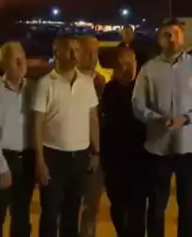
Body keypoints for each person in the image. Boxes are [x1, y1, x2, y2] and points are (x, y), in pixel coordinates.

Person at [132, 18, 192, 237]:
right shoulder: (149, 69)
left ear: (183, 37)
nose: (172, 39)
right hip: (159, 148)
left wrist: (187, 118)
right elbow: (138, 104)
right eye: (166, 34)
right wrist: (156, 118)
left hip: (190, 149)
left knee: (188, 205)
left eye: (176, 34)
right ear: (160, 39)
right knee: (157, 206)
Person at [33, 35, 100, 237]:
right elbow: (37, 124)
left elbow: (93, 118)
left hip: (79, 158)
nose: (74, 54)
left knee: (72, 214)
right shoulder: (45, 84)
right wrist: (40, 161)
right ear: (57, 53)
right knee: (50, 215)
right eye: (69, 50)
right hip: (53, 157)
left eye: (77, 50)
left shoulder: (87, 83)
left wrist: (96, 151)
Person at [0, 42, 36, 237]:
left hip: (26, 161)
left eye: (23, 55)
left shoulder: (33, 90)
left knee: (21, 220)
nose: (22, 61)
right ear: (3, 64)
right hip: (0, 162)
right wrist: (2, 168)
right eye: (15, 58)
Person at [101, 46, 147, 237]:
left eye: (132, 62)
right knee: (118, 206)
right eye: (123, 64)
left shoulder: (143, 88)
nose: (128, 68)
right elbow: (107, 124)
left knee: (138, 207)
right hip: (115, 158)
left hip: (140, 158)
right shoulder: (110, 90)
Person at [77, 35, 106, 237]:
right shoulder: (69, 81)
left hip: (95, 153)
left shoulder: (100, 82)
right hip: (73, 152)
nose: (93, 57)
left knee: (91, 207)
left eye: (95, 52)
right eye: (88, 52)